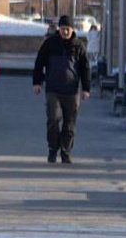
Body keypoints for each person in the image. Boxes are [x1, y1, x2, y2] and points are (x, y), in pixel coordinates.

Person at [32, 15, 91, 164]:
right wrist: (37, 82)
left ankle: (66, 151)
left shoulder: (78, 46)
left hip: (72, 91)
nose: (65, 32)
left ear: (72, 29)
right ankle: (53, 148)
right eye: (63, 29)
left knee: (69, 124)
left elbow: (85, 68)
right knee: (53, 119)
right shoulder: (50, 44)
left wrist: (86, 88)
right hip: (53, 90)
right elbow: (39, 62)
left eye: (68, 29)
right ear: (59, 29)